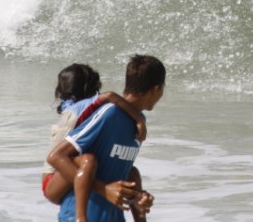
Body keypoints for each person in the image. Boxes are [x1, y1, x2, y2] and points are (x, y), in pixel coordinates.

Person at [48, 55, 166, 222]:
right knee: (89, 161)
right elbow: (56, 156)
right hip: (78, 216)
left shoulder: (139, 123)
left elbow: (120, 174)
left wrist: (138, 197)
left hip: (113, 217)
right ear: (157, 89)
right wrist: (105, 189)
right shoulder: (109, 113)